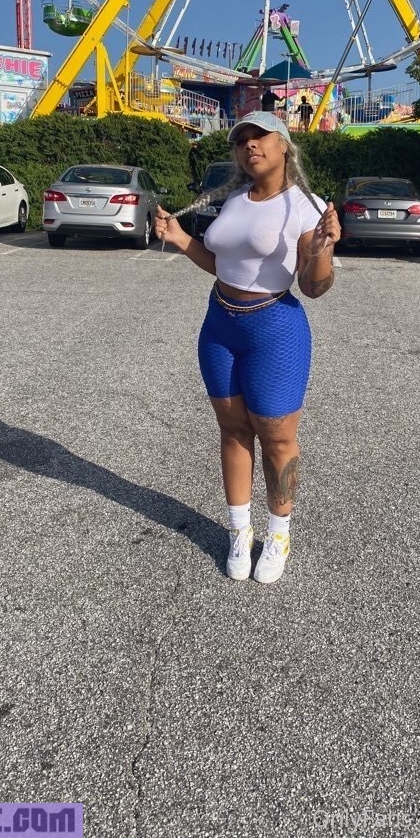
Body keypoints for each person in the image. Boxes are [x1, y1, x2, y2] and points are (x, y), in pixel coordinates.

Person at [154, 111, 340, 584]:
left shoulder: (306, 207)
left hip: (274, 329)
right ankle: (240, 530)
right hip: (220, 325)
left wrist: (322, 247)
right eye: (242, 140)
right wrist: (180, 239)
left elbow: (314, 288)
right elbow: (223, 265)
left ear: (284, 146)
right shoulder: (236, 199)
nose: (250, 145)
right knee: (233, 430)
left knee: (277, 438)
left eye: (260, 136)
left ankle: (279, 533)